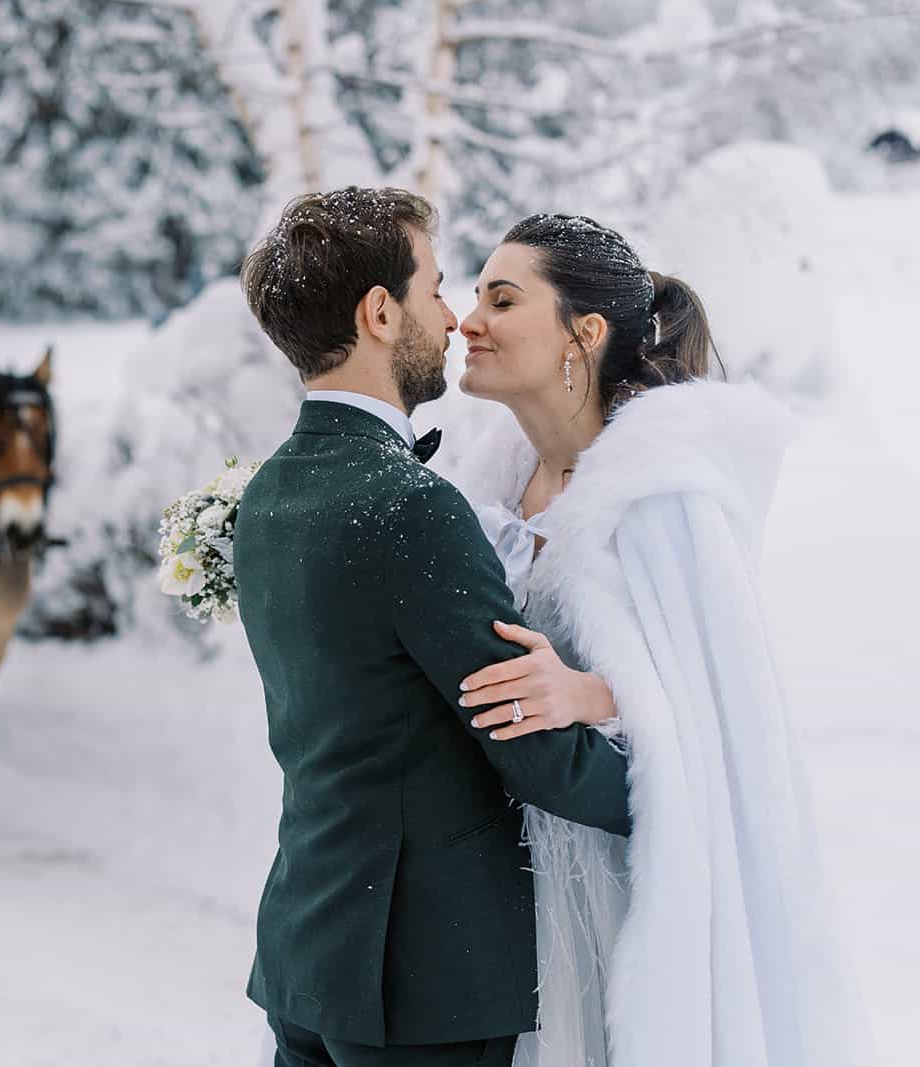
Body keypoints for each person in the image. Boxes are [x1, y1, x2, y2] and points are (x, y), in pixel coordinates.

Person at [452, 213, 872, 1067]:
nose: (469, 321)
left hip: (619, 894)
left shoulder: (661, 492)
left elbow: (731, 712)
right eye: (472, 297)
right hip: (496, 891)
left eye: (502, 298)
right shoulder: (488, 484)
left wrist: (595, 693)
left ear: (586, 331)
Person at [233, 188, 632, 1067]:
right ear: (380, 312)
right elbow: (528, 744)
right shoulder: (410, 509)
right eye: (437, 289)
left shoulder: (265, 495)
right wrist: (678, 793)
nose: (453, 320)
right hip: (420, 985)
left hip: (309, 954)